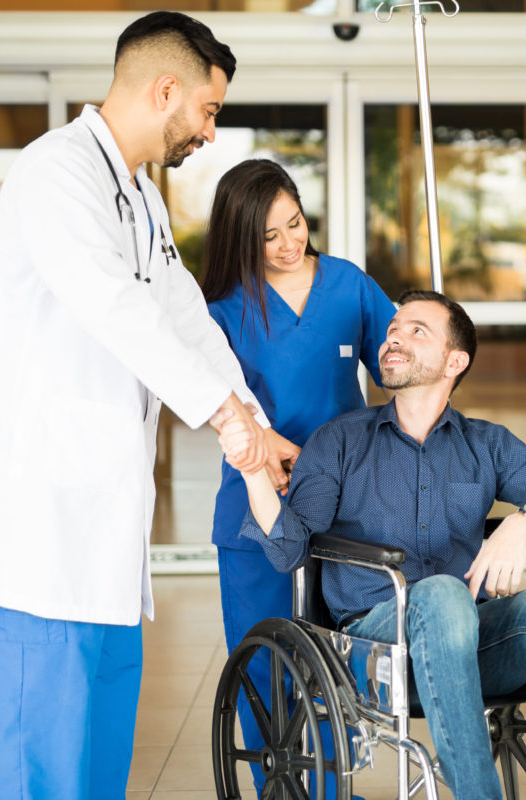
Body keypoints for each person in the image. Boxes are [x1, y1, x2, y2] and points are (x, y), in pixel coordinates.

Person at [0, 12, 280, 799]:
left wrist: (256, 427)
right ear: (166, 89)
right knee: (39, 775)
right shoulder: (54, 173)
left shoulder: (143, 200)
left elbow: (183, 316)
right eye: (208, 110)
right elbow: (115, 308)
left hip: (103, 544)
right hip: (37, 537)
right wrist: (227, 423)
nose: (210, 133)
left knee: (96, 770)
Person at [221, 289, 526, 800]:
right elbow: (288, 550)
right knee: (440, 593)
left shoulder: (486, 443)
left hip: (470, 643)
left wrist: (524, 521)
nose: (394, 337)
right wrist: (254, 473)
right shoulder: (341, 440)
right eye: (394, 328)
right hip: (372, 653)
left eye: (417, 331)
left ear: (454, 362)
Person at [200, 158, 394, 796]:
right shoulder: (222, 312)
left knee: (338, 670)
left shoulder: (347, 287)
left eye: (296, 224)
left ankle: (333, 789)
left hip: (345, 511)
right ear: (240, 237)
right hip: (256, 511)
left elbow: (394, 363)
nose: (290, 245)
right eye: (270, 236)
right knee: (265, 669)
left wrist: (428, 352)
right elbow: (212, 407)